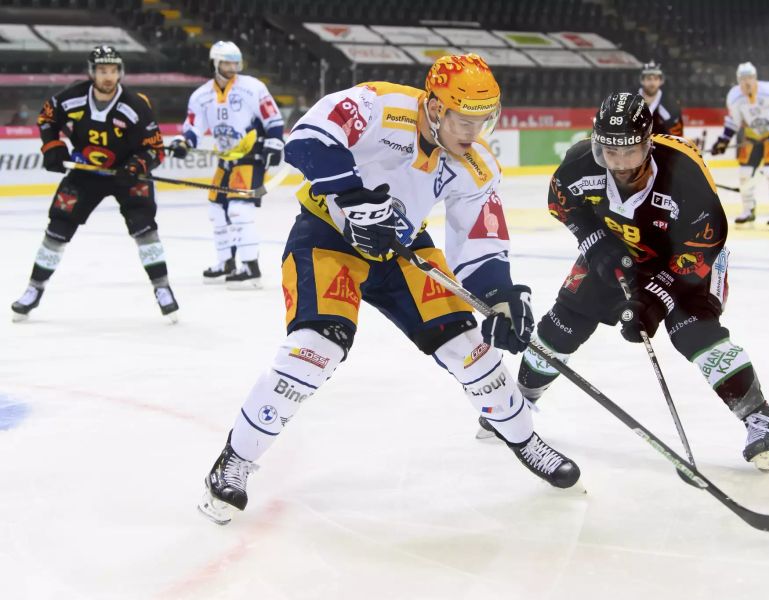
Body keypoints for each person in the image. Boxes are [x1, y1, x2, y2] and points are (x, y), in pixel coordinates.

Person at [197, 53, 580, 525]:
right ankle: (235, 459)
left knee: (470, 348)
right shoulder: (381, 105)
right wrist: (355, 200)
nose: (474, 133)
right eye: (465, 120)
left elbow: (478, 243)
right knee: (315, 349)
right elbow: (308, 139)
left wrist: (501, 294)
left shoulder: (476, 167)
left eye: (484, 120)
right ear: (436, 109)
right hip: (327, 237)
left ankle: (524, 438)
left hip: (402, 247)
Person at [496, 92, 769, 473]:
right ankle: (518, 400)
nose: (619, 164)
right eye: (609, 151)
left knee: (693, 332)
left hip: (686, 258)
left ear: (648, 144)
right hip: (618, 247)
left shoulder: (683, 172)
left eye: (630, 153)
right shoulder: (579, 163)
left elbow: (706, 242)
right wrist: (595, 241)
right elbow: (561, 202)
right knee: (565, 320)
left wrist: (655, 299)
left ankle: (762, 420)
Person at [10, 45, 177, 322]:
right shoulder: (73, 97)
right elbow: (47, 117)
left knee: (145, 229)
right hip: (86, 172)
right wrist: (52, 147)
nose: (108, 76)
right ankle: (34, 289)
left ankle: (163, 289)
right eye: (102, 71)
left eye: (112, 70)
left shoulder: (135, 106)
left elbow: (155, 149)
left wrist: (136, 166)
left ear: (120, 72)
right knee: (57, 228)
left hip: (127, 175)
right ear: (92, 72)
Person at [170, 41, 285, 289]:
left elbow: (273, 118)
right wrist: (183, 142)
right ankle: (226, 262)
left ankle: (250, 266)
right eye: (226, 62)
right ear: (215, 63)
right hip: (226, 158)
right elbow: (193, 127)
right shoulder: (201, 96)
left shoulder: (253, 88)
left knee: (239, 210)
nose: (232, 67)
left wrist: (275, 143)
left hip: (250, 156)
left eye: (235, 62)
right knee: (216, 210)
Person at [710, 62, 769, 225]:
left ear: (755, 78)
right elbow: (734, 121)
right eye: (743, 79)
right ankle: (748, 210)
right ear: (738, 80)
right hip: (752, 137)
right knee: (744, 174)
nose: (747, 82)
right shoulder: (734, 96)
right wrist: (723, 140)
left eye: (750, 78)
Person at [638, 61, 683, 137]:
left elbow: (677, 136)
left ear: (661, 81)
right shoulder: (629, 101)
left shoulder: (671, 105)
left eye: (656, 79)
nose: (652, 83)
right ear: (642, 80)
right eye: (649, 79)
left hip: (661, 146)